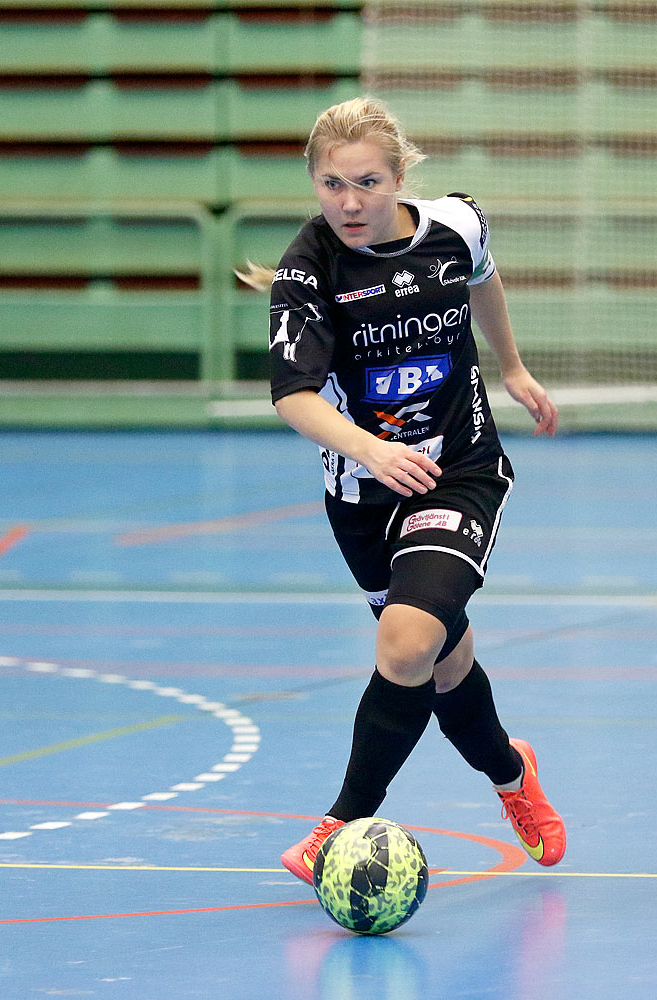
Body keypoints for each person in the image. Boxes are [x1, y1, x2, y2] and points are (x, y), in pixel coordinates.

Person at [240, 96, 566, 884]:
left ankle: (340, 822)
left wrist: (511, 365)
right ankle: (512, 774)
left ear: (399, 176)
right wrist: (372, 452)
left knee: (408, 641)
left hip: (460, 467)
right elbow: (294, 396)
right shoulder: (307, 270)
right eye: (330, 185)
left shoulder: (456, 224)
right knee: (444, 665)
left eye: (367, 182)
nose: (349, 203)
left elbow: (483, 278)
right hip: (364, 491)